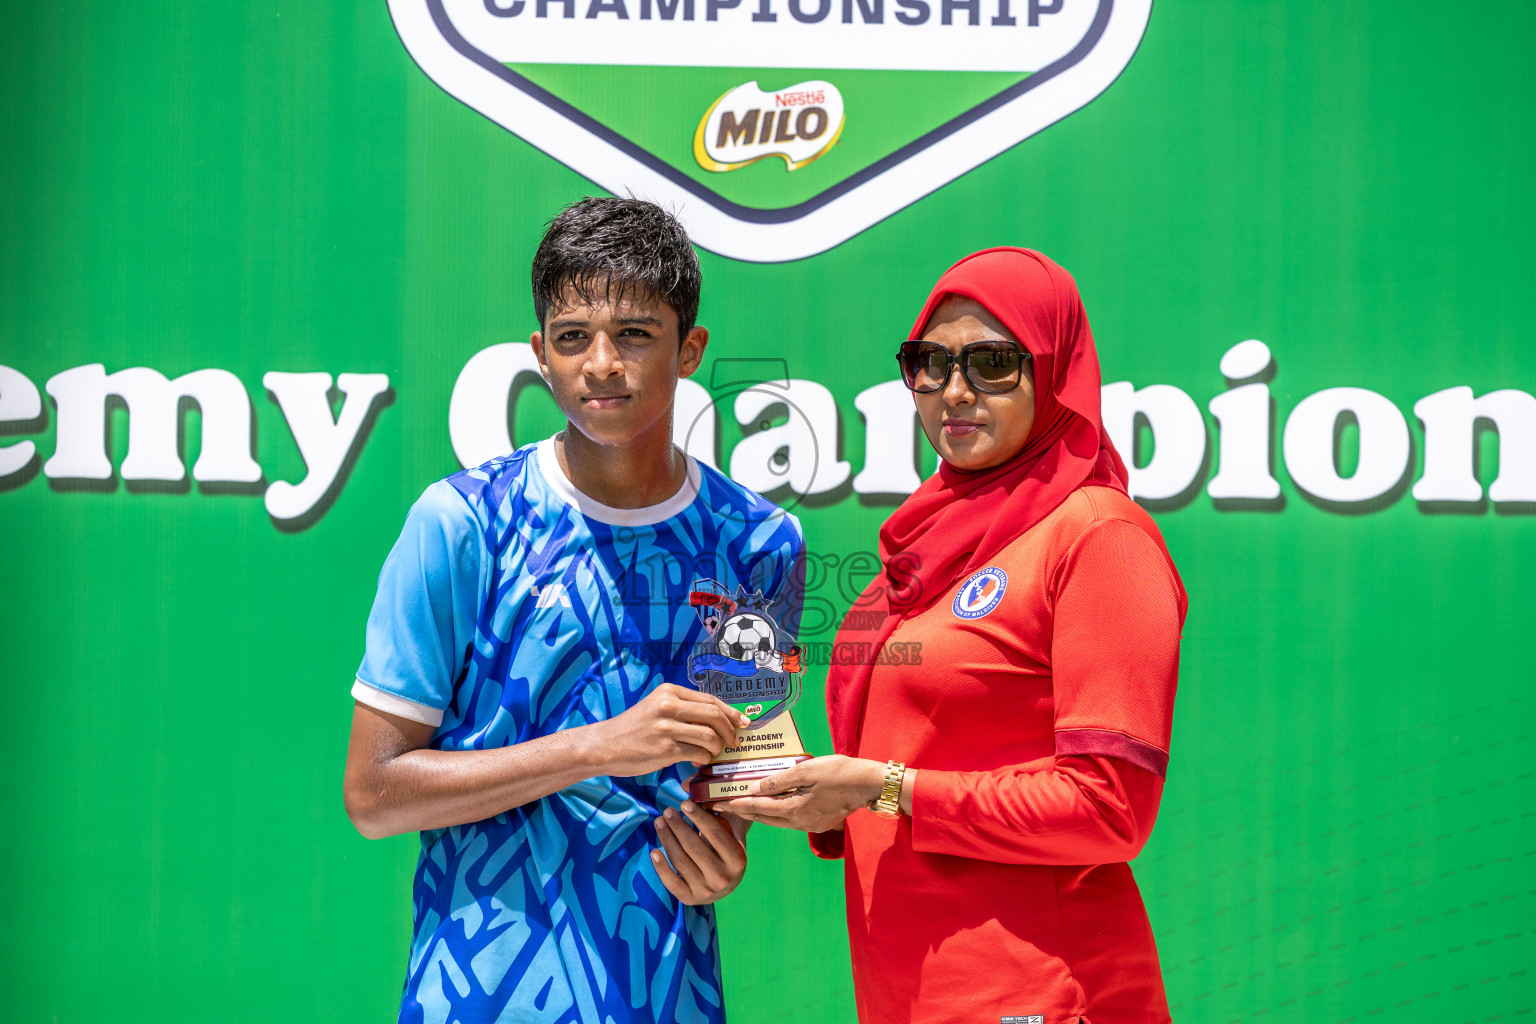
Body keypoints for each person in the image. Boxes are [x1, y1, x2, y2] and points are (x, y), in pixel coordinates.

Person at [343, 197, 804, 1023]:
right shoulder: (461, 523)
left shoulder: (758, 543)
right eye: (572, 337)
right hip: (476, 998)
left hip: (669, 995)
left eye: (634, 334)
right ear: (539, 356)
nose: (600, 363)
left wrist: (728, 856)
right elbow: (374, 795)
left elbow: (740, 777)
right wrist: (599, 747)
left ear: (689, 349)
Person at [721, 247, 1186, 1023]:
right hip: (912, 991)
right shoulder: (925, 541)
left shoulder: (1099, 537)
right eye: (928, 363)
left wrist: (885, 788)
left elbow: (1111, 809)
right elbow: (903, 750)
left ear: (1054, 373)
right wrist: (790, 776)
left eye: (992, 363)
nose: (954, 391)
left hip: (1043, 992)